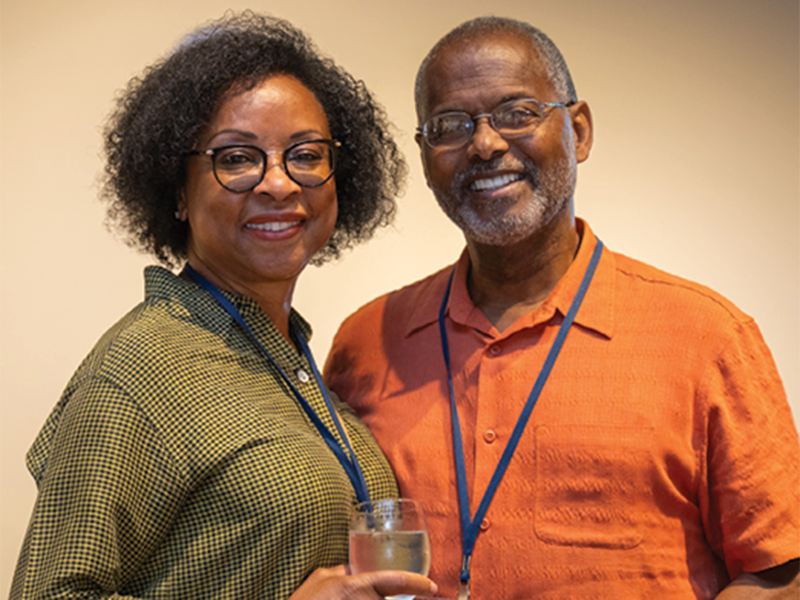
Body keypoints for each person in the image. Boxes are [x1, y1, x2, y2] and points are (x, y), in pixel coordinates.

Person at [324, 16, 800, 599]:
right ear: (425, 159)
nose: (485, 143)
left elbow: (779, 573)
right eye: (450, 125)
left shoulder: (708, 337)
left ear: (580, 131)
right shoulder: (366, 343)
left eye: (517, 113)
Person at [10, 12, 438, 600]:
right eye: (236, 158)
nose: (280, 184)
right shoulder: (143, 368)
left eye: (306, 154)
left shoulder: (290, 359)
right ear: (178, 192)